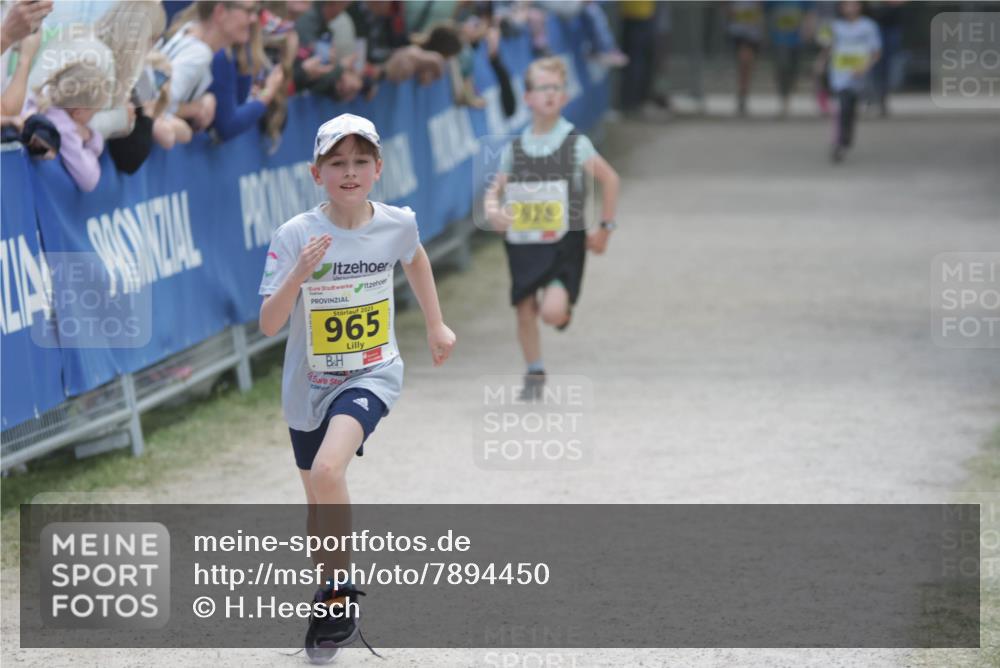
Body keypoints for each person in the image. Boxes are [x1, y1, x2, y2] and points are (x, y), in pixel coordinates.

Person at [257, 113, 456, 663]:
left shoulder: (397, 223)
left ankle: (341, 597)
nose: (350, 173)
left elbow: (415, 260)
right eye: (338, 163)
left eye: (361, 162)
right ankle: (328, 595)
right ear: (315, 172)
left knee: (328, 472)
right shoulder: (296, 235)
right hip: (308, 386)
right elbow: (269, 324)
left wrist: (436, 324)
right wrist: (298, 273)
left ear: (378, 168)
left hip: (372, 372)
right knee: (317, 503)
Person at [484, 57, 619, 399]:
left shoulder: (575, 143)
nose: (549, 94)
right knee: (524, 307)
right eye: (542, 88)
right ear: (527, 97)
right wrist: (493, 211)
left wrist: (604, 228)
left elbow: (610, 180)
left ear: (564, 97)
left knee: (550, 312)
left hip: (564, 243)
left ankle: (562, 310)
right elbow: (495, 190)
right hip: (524, 241)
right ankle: (534, 371)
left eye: (555, 88)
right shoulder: (516, 149)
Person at [27, 61, 112, 191]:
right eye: (94, 113)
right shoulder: (65, 130)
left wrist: (90, 136)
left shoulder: (38, 103)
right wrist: (91, 141)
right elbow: (89, 180)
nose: (92, 119)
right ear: (78, 112)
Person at [816, 0, 880, 163]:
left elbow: (876, 52)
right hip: (839, 75)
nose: (850, 7)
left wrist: (864, 68)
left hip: (860, 77)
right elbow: (827, 47)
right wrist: (821, 64)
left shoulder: (869, 26)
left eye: (854, 4)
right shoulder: (834, 26)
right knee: (841, 108)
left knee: (850, 109)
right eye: (846, 4)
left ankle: (846, 139)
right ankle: (838, 142)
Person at [727, 0, 764, 116]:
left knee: (747, 66)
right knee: (743, 62)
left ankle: (743, 95)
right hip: (738, 31)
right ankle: (742, 95)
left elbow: (761, 8)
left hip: (753, 32)